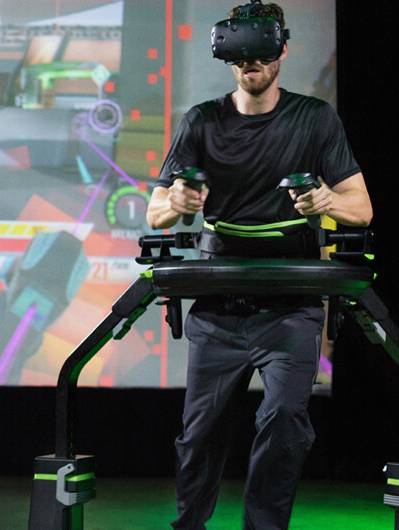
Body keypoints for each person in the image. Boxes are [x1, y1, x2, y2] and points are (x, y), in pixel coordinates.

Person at [146, 2, 372, 529]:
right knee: (200, 433)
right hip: (219, 300)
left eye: (262, 51)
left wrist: (325, 202)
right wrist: (176, 202)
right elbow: (156, 212)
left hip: (291, 302)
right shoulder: (201, 120)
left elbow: (361, 208)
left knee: (286, 420)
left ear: (281, 50)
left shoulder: (314, 118)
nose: (251, 62)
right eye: (241, 52)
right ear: (228, 54)